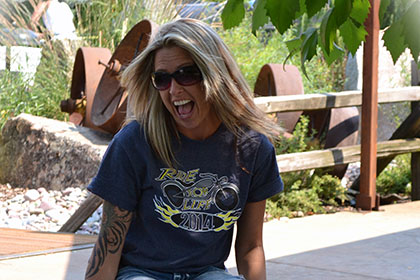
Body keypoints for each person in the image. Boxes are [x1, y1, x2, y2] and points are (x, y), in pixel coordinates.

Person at [85, 18, 283, 280]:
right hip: (142, 273)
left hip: (207, 273)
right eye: (162, 78)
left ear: (215, 73)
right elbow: (109, 245)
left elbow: (250, 247)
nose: (174, 89)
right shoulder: (133, 143)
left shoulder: (252, 147)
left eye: (186, 74)